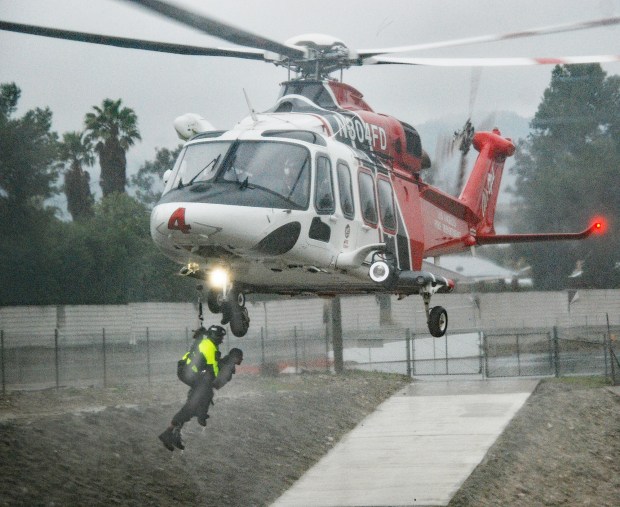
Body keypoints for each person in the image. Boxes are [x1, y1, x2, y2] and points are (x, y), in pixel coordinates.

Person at [158, 324, 226, 451]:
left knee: (199, 397)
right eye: (221, 337)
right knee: (196, 401)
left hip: (187, 371)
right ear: (215, 336)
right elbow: (213, 370)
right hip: (188, 373)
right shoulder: (209, 347)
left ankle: (175, 431)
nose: (222, 340)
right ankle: (198, 415)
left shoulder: (205, 342)